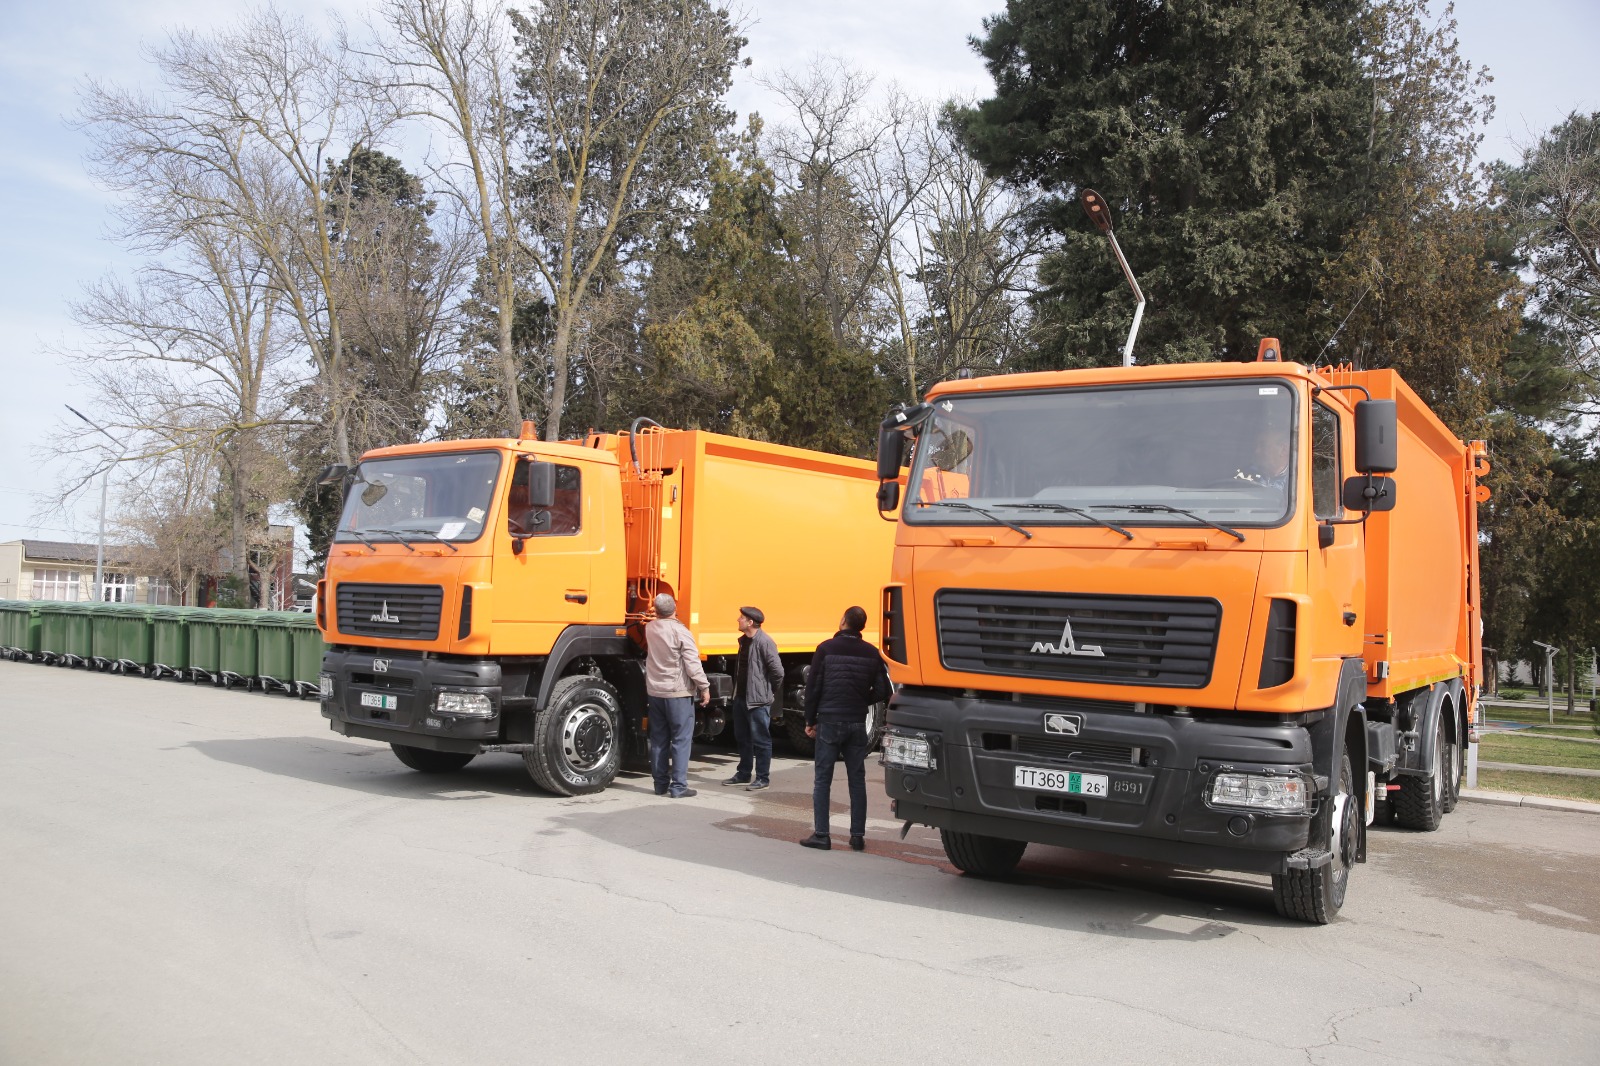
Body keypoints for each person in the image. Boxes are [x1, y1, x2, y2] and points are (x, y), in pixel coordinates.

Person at [799, 605, 891, 852]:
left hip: (829, 721)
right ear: (861, 626)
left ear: (842, 622)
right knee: (856, 780)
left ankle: (822, 835)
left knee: (822, 779)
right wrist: (862, 700)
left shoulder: (826, 649)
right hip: (857, 723)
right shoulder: (872, 653)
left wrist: (810, 720)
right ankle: (857, 836)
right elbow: (885, 691)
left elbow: (813, 688)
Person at [644, 592, 710, 798]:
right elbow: (692, 662)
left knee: (659, 740)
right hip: (677, 693)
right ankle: (679, 787)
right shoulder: (680, 632)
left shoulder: (650, 628)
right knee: (681, 740)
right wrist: (704, 686)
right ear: (675, 609)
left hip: (655, 692)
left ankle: (660, 785)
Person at [724, 606, 784, 791]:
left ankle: (762, 778)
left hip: (758, 701)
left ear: (750, 622)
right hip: (741, 698)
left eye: (741, 618)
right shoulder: (744, 641)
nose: (738, 620)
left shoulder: (764, 642)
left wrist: (767, 692)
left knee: (761, 739)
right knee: (742, 737)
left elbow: (778, 672)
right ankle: (743, 773)